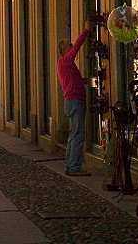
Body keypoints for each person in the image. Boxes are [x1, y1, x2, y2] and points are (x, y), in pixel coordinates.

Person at [57, 19, 92, 176]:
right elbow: (77, 46)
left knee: (73, 135)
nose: (72, 47)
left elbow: (72, 80)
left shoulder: (64, 64)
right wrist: (85, 31)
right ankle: (74, 167)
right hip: (75, 101)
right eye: (69, 46)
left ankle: (70, 165)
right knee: (78, 135)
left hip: (71, 101)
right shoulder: (66, 60)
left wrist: (84, 80)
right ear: (65, 50)